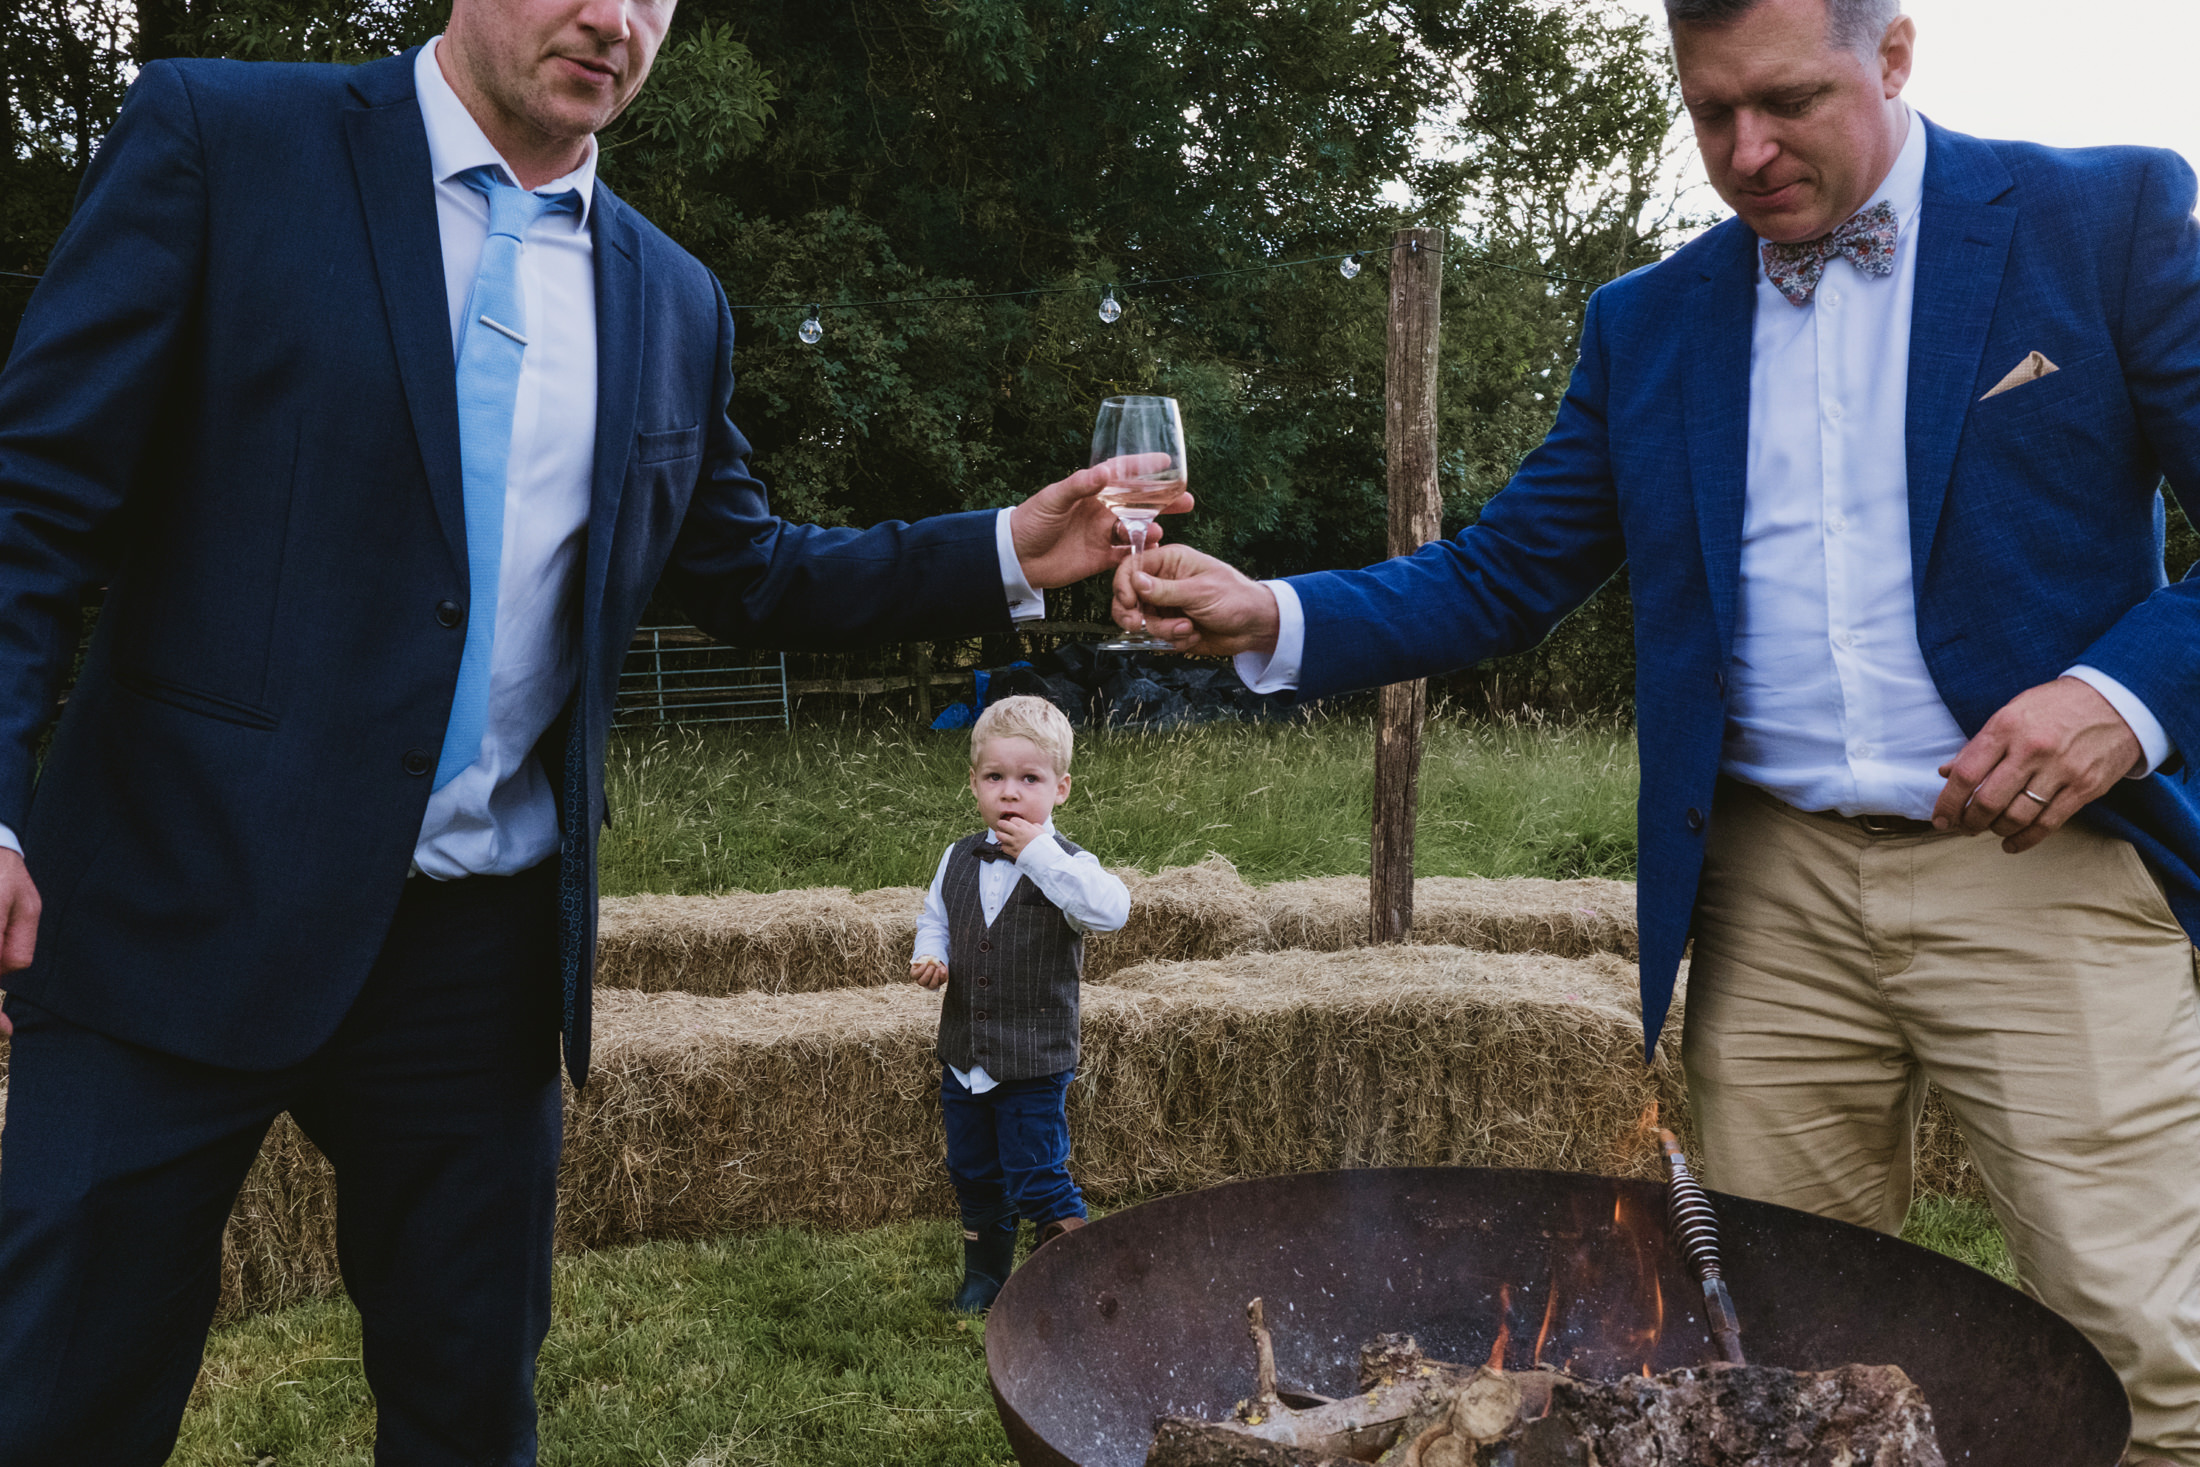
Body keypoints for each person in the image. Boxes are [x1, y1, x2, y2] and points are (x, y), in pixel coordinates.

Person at [0, 0, 1184, 1455]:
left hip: (474, 960)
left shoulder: (671, 295)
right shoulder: (223, 141)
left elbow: (750, 571)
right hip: (170, 898)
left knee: (468, 1418)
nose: (610, 18)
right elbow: (35, 501)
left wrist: (1004, 541)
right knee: (54, 1402)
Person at [1112, 0, 2200, 1460]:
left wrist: (2120, 699)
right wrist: (1275, 613)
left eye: (1787, 102)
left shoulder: (2107, 215)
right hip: (1770, 891)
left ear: (1892, 56)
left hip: (2040, 862)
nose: (1745, 152)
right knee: (1784, 1357)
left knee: (2153, 1348)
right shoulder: (1649, 318)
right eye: (1709, 114)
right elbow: (1499, 574)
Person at [908, 695, 1128, 1313]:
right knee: (973, 1170)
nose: (1010, 793)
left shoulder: (1069, 867)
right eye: (995, 778)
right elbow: (937, 918)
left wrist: (1037, 853)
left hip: (1033, 1060)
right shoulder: (957, 856)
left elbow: (1110, 912)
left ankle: (1078, 1281)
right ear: (973, 783)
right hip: (964, 1057)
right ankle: (985, 1276)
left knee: (1037, 1172)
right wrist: (933, 954)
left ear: (1060, 789)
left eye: (1028, 779)